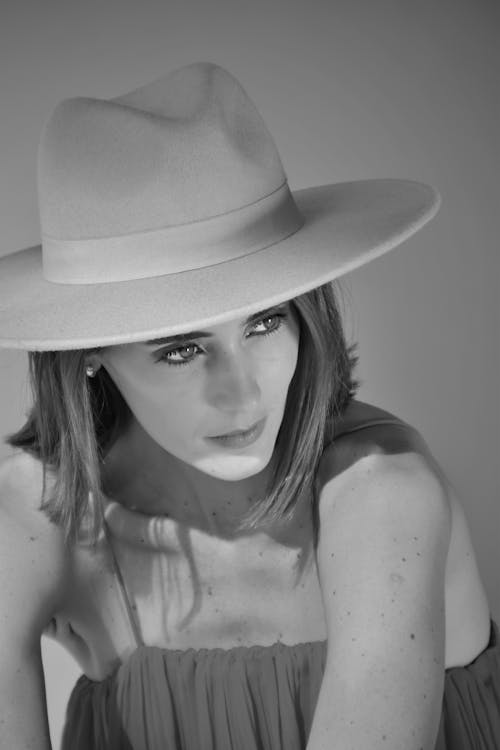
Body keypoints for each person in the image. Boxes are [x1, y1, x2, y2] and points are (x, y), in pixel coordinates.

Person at [0, 62, 498, 750]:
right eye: (181, 350)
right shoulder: (34, 511)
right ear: (89, 351)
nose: (244, 391)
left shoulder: (379, 491)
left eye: (265, 324)